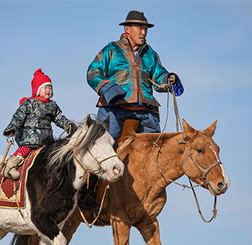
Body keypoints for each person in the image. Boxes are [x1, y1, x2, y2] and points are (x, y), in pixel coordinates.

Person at [78, 10, 184, 208]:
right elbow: (92, 72)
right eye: (140, 28)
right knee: (99, 146)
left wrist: (168, 79)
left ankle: (150, 194)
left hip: (146, 111)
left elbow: (159, 76)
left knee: (156, 150)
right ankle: (87, 192)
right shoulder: (111, 50)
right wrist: (108, 88)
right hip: (114, 107)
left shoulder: (150, 54)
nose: (143, 32)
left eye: (145, 28)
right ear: (127, 29)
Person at [3, 68, 77, 180]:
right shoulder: (30, 103)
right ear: (38, 89)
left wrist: (68, 125)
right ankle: (10, 166)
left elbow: (58, 117)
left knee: (55, 153)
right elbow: (19, 116)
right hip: (31, 138)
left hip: (47, 140)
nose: (48, 90)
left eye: (50, 87)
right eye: (45, 87)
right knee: (25, 150)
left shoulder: (52, 105)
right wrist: (12, 128)